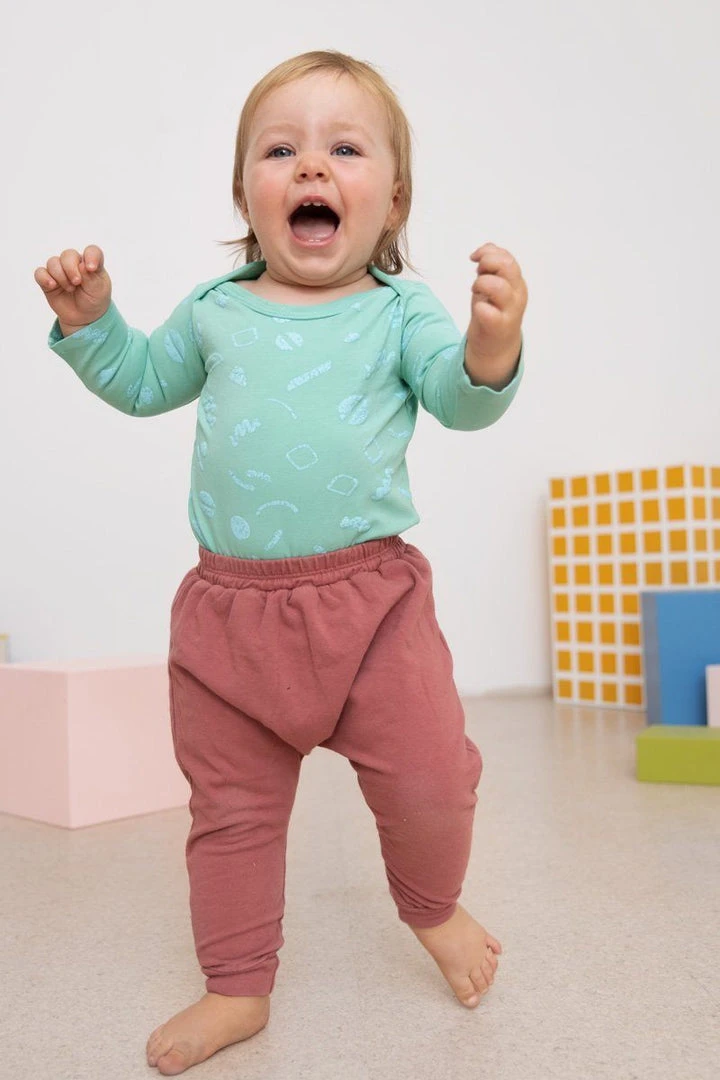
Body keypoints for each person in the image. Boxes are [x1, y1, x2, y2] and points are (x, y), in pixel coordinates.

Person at [34, 48, 528, 1078]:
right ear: (244, 195)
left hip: (373, 609)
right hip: (229, 622)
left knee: (434, 779)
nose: (311, 167)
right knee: (231, 818)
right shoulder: (216, 309)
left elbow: (458, 398)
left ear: (393, 203)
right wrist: (90, 325)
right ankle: (237, 984)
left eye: (344, 150)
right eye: (280, 151)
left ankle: (433, 909)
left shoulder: (401, 311)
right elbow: (141, 381)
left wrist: (491, 347)